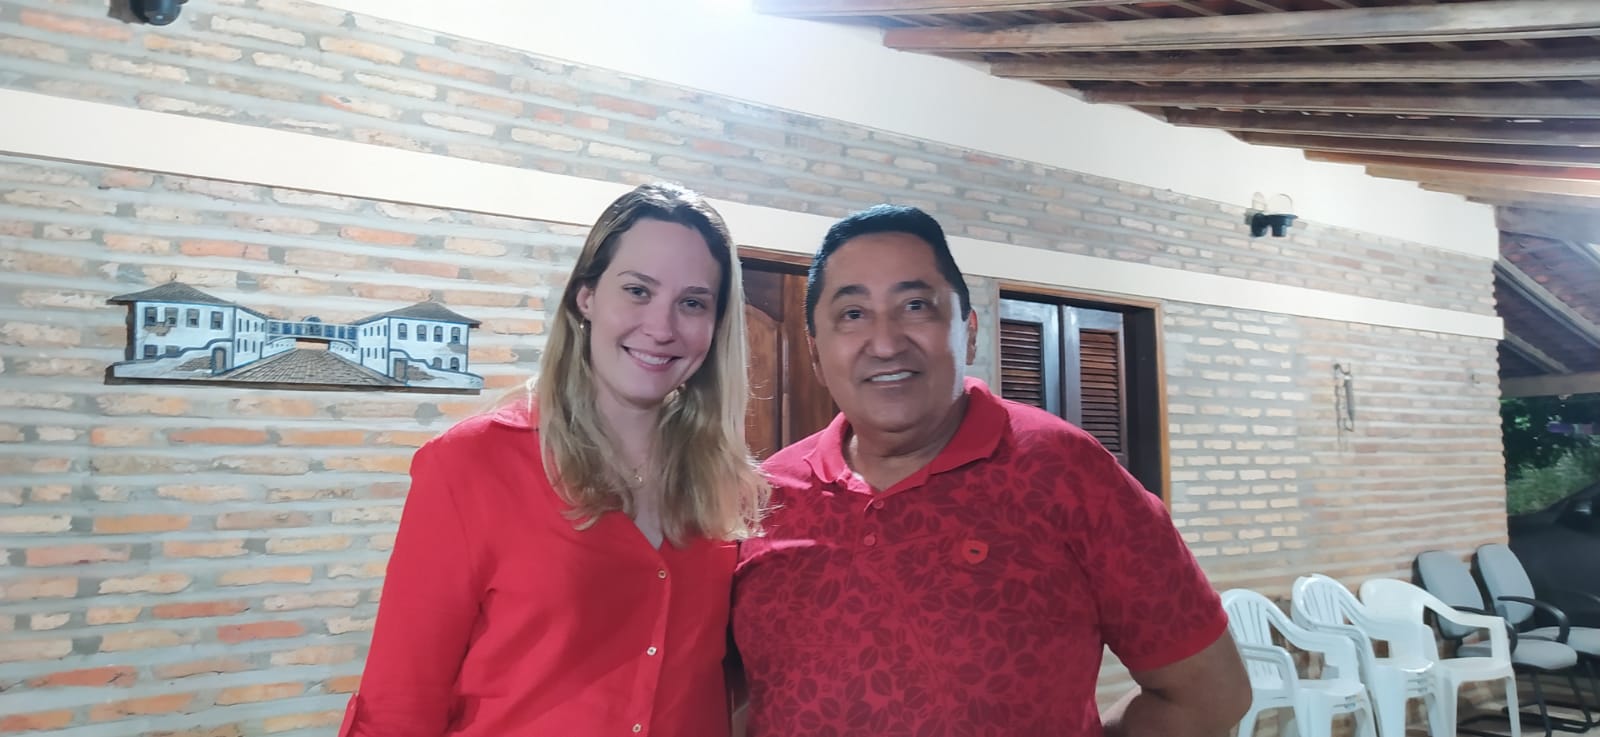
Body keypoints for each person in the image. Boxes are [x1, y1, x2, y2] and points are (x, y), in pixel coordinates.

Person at [731, 205, 1251, 737]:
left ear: (970, 332)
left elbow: (1208, 695)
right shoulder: (762, 498)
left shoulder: (1067, 471)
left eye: (916, 306)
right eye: (853, 314)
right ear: (816, 355)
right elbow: (740, 697)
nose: (885, 344)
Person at [340, 182, 767, 737]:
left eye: (692, 303)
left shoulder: (730, 483)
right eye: (637, 290)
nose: (662, 328)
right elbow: (398, 706)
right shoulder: (469, 465)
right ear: (585, 296)